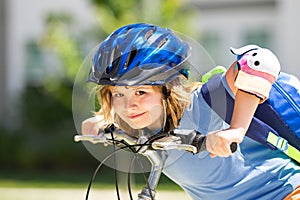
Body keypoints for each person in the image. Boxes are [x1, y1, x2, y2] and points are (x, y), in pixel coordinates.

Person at [80, 23, 300, 200]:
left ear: (167, 90)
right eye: (119, 95)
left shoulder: (205, 102)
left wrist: (236, 130)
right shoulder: (144, 125)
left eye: (141, 92)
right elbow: (119, 114)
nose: (129, 106)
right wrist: (101, 120)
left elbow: (258, 62)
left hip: (285, 193)